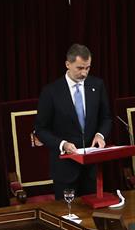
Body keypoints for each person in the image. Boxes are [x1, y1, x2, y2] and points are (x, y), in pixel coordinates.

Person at [35, 43, 111, 199]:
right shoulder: (51, 92)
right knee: (67, 216)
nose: (84, 73)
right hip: (65, 168)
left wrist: (100, 135)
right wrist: (62, 144)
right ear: (67, 64)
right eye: (80, 68)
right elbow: (41, 129)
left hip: (91, 168)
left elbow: (106, 118)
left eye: (88, 68)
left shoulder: (97, 85)